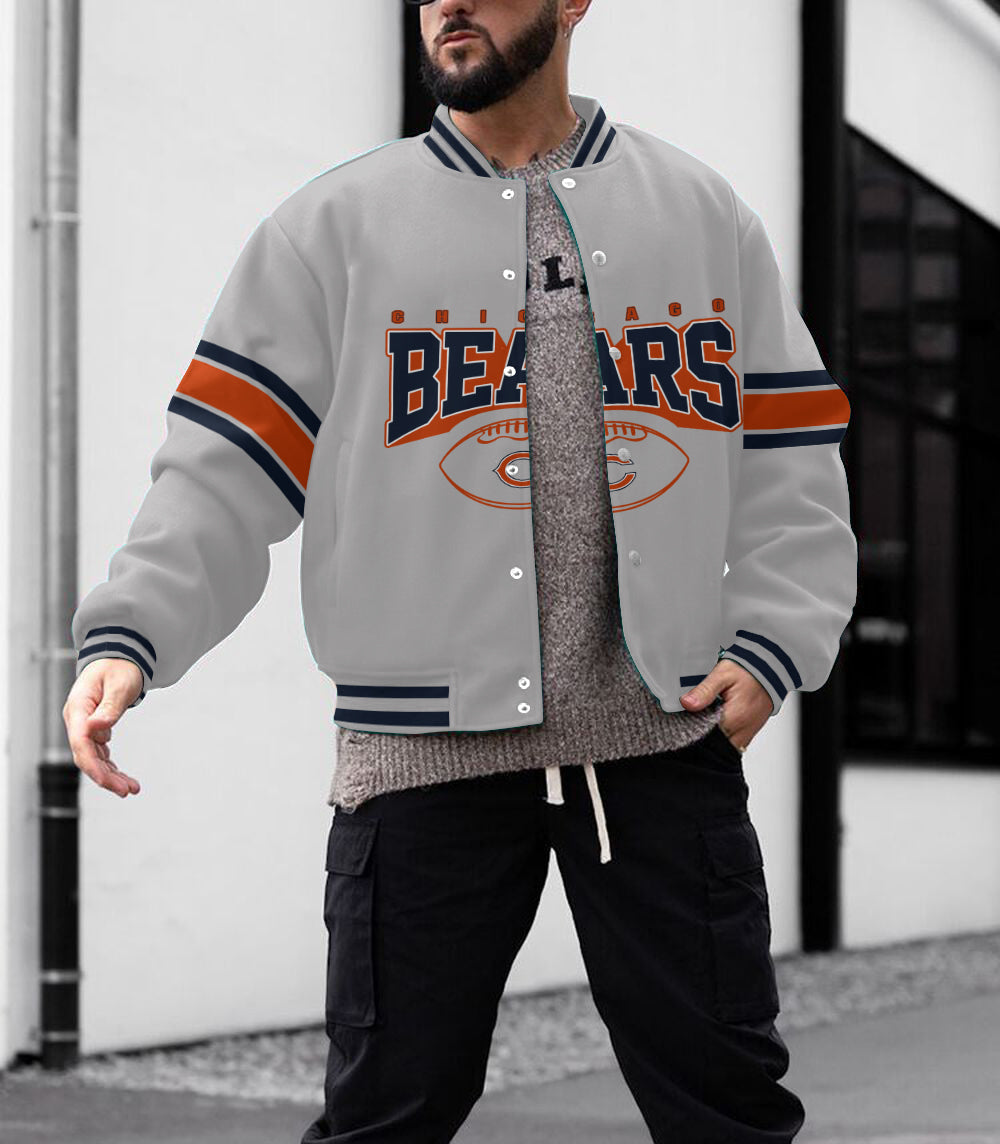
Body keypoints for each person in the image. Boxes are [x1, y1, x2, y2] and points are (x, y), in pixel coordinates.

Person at [64, 0, 857, 1139]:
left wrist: (773, 641)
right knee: (385, 1120)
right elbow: (224, 463)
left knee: (729, 1116)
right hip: (419, 759)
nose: (449, 3)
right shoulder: (330, 227)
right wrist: (131, 633)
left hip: (659, 745)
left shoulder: (701, 213)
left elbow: (790, 453)